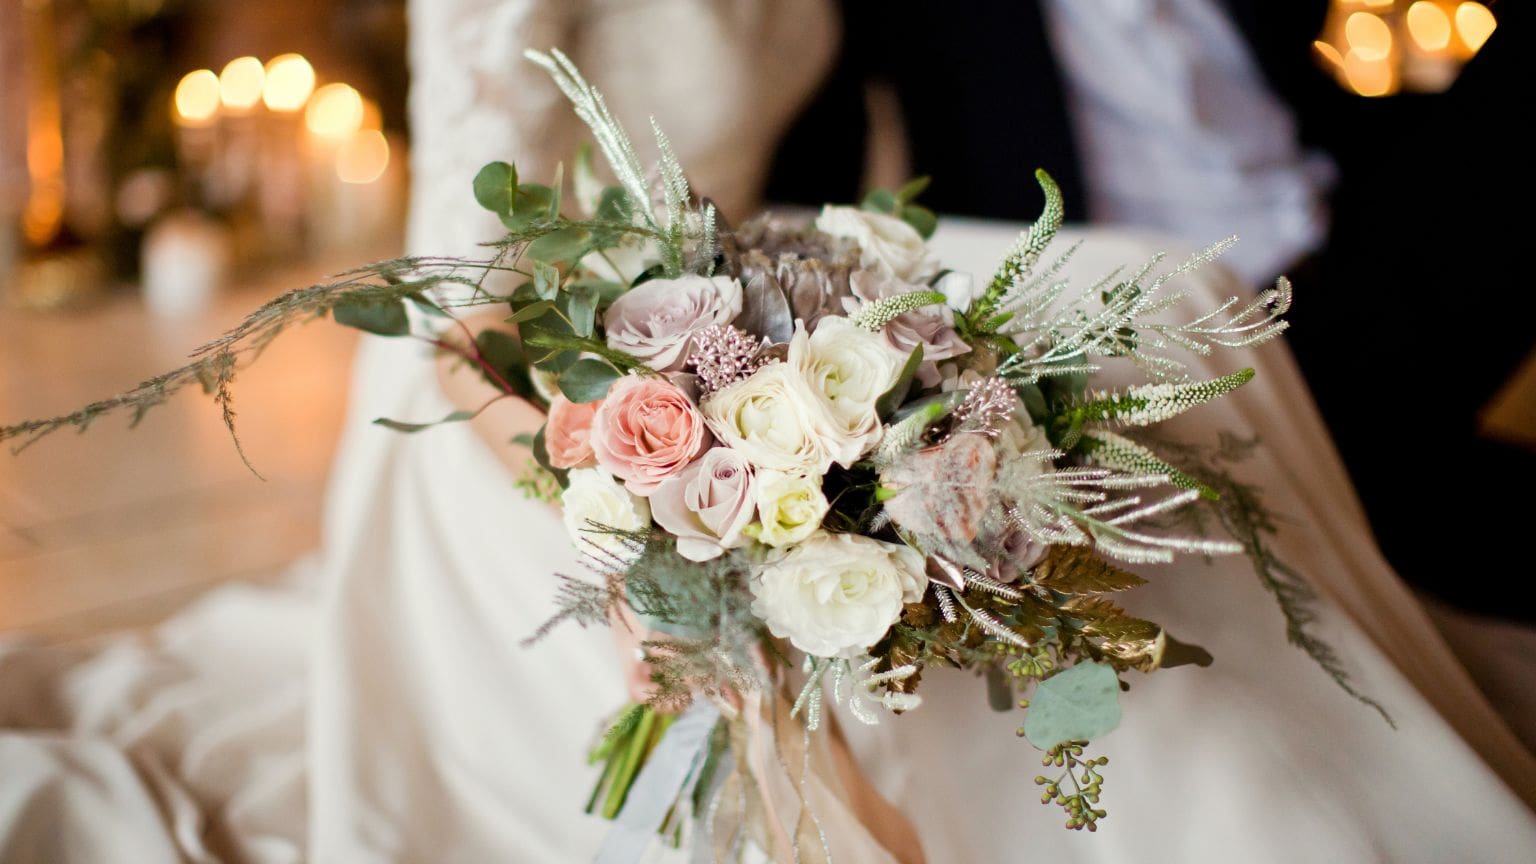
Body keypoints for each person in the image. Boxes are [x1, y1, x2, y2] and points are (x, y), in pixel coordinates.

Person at [3, 2, 1536, 862]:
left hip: (733, 290)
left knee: (1129, 326)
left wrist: (814, 323)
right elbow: (473, 287)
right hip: (534, 372)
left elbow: (828, 151)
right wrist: (603, 457)